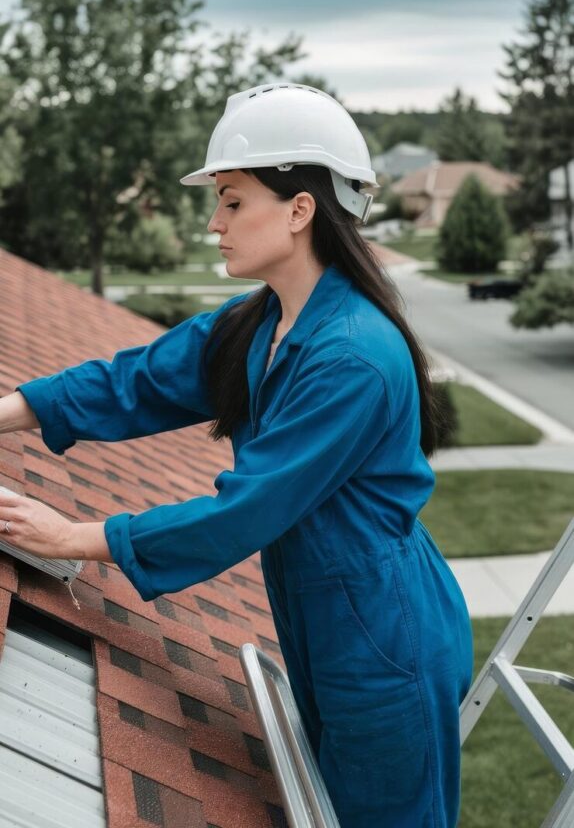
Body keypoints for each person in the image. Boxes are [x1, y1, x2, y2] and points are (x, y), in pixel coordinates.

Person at [0, 83, 473, 828]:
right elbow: (134, 381)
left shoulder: (352, 358)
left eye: (231, 200)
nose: (213, 224)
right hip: (327, 619)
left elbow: (243, 513)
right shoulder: (264, 323)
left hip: (383, 644)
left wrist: (74, 541)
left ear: (299, 209)